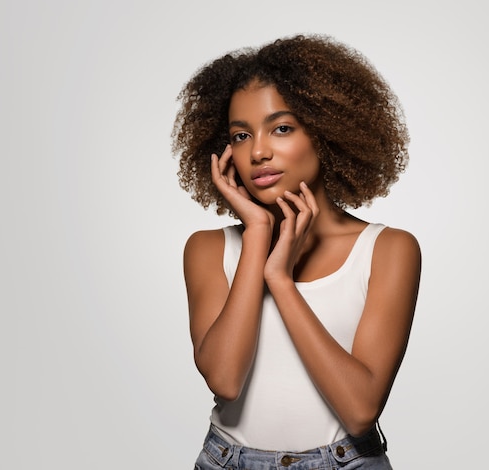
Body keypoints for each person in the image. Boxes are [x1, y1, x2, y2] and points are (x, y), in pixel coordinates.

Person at [172, 34, 421, 469]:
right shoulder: (208, 249)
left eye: (281, 128)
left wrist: (281, 281)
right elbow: (225, 379)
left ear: (326, 132)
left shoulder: (387, 249)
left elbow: (361, 409)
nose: (259, 152)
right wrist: (256, 234)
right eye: (241, 135)